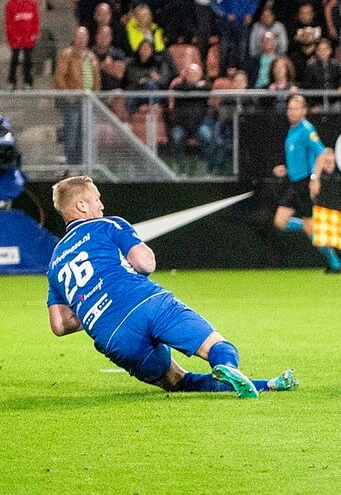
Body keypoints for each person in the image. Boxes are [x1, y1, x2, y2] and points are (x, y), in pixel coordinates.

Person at [46, 176, 299, 396]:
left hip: (113, 336)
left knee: (179, 381)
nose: (101, 205)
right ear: (81, 205)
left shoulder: (55, 262)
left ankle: (270, 384)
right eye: (96, 199)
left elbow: (60, 325)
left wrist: (95, 303)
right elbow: (145, 263)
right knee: (215, 346)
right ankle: (227, 366)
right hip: (146, 303)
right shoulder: (107, 225)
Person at [273, 95, 341, 273]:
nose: (292, 112)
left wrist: (314, 178)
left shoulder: (306, 129)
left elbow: (321, 153)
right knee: (280, 222)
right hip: (294, 183)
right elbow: (299, 157)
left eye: (296, 108)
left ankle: (334, 263)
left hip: (304, 183)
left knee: (309, 228)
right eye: (289, 108)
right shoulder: (293, 129)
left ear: (304, 110)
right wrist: (286, 169)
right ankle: (313, 228)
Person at [54, 27, 100, 167]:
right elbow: (59, 77)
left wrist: (95, 94)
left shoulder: (91, 56)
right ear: (74, 38)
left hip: (87, 101)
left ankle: (83, 162)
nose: (81, 39)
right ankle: (72, 163)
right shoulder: (66, 55)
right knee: (72, 131)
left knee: (85, 132)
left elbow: (96, 78)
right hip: (72, 100)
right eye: (79, 36)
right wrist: (68, 94)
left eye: (84, 36)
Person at [4, 0, 40, 90]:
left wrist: (34, 33)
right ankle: (11, 81)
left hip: (28, 37)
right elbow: (9, 22)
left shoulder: (32, 3)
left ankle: (28, 81)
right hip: (16, 38)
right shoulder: (10, 4)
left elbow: (36, 19)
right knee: (14, 59)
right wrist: (14, 35)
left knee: (28, 60)